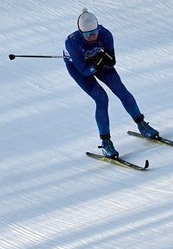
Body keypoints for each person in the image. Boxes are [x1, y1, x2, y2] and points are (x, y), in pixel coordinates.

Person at [64, 8, 160, 158]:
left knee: (121, 90)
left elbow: (112, 61)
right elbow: (84, 71)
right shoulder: (72, 43)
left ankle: (142, 125)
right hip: (79, 69)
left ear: (98, 28)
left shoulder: (105, 35)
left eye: (94, 32)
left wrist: (105, 61)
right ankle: (106, 143)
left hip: (98, 63)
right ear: (80, 32)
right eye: (87, 34)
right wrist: (96, 64)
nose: (92, 37)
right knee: (102, 100)